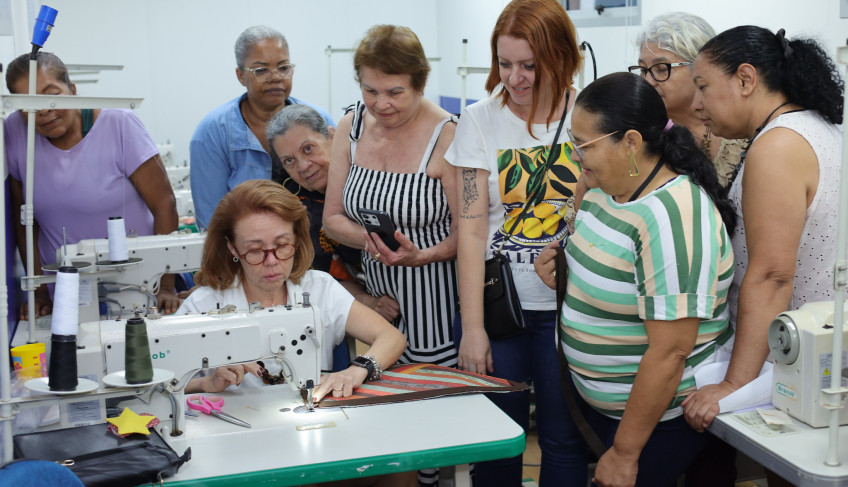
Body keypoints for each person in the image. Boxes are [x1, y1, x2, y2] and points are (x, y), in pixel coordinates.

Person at [534, 71, 736, 487]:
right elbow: (584, 237)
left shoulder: (673, 217)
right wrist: (561, 260)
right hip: (606, 409)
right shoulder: (603, 186)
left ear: (629, 142)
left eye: (582, 145)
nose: (574, 156)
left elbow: (670, 352)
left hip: (656, 423)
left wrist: (625, 453)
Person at [682, 25, 843, 465]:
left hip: (798, 357)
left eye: (702, 87)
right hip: (813, 349)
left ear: (746, 80)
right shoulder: (813, 127)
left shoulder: (778, 145)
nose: (696, 103)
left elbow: (772, 275)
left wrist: (735, 384)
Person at [444, 0, 587, 484]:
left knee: (564, 440)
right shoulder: (479, 121)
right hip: (500, 307)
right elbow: (470, 225)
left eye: (530, 65)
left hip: (571, 307)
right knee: (497, 441)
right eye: (505, 64)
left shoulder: (587, 115)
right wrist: (473, 327)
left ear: (562, 57)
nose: (516, 78)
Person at [179, 179, 407, 402]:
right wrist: (205, 383)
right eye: (255, 251)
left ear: (297, 239)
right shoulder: (203, 306)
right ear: (233, 247)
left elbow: (391, 337)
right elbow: (154, 383)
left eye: (282, 245)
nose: (272, 261)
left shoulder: (319, 288)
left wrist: (356, 370)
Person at [4, 52, 181, 318]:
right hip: (65, 294)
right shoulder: (15, 132)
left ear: (73, 90)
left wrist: (166, 285)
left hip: (141, 285)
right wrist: (40, 291)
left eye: (51, 94)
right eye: (29, 105)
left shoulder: (119, 124)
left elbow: (164, 204)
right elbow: (25, 224)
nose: (43, 110)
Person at [323, 25, 459, 368]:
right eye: (370, 90)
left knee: (433, 396)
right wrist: (372, 242)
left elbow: (469, 234)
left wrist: (422, 255)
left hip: (438, 306)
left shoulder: (447, 135)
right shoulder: (350, 128)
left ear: (421, 84)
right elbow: (333, 219)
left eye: (395, 93)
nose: (380, 104)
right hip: (378, 309)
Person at [190, 25, 335, 230]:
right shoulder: (213, 133)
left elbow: (343, 192)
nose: (275, 77)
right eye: (261, 70)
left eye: (283, 68)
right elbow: (212, 222)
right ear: (241, 75)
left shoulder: (318, 119)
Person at [267, 104, 400, 323]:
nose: (302, 166)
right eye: (289, 161)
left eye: (308, 148)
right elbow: (320, 274)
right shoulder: (295, 204)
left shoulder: (372, 173)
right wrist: (367, 301)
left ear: (332, 136)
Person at [631, 12, 745, 188]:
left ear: (700, 68)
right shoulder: (637, 134)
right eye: (643, 70)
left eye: (662, 68)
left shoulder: (739, 130)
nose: (648, 81)